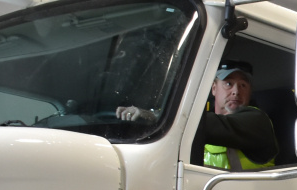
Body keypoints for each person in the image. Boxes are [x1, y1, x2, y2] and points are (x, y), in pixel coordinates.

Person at [117, 64, 279, 170]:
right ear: (214, 88)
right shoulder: (191, 127)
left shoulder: (258, 122)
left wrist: (156, 117)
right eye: (228, 83)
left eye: (243, 85)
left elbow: (215, 126)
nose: (236, 91)